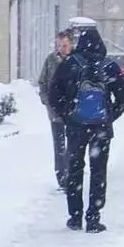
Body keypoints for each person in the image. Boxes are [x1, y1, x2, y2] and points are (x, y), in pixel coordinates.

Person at [48, 28, 124, 233]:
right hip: (101, 129)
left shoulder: (69, 64)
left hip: (76, 127)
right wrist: (109, 116)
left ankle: (75, 217)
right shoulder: (109, 66)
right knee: (98, 172)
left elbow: (53, 94)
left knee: (75, 169)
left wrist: (67, 115)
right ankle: (93, 218)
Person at [38, 30, 74, 190]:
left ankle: (72, 174)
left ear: (71, 44)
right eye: (59, 45)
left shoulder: (76, 60)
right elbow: (43, 82)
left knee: (73, 145)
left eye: (65, 45)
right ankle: (62, 176)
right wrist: (47, 101)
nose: (61, 48)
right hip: (55, 112)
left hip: (73, 112)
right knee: (59, 145)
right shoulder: (51, 60)